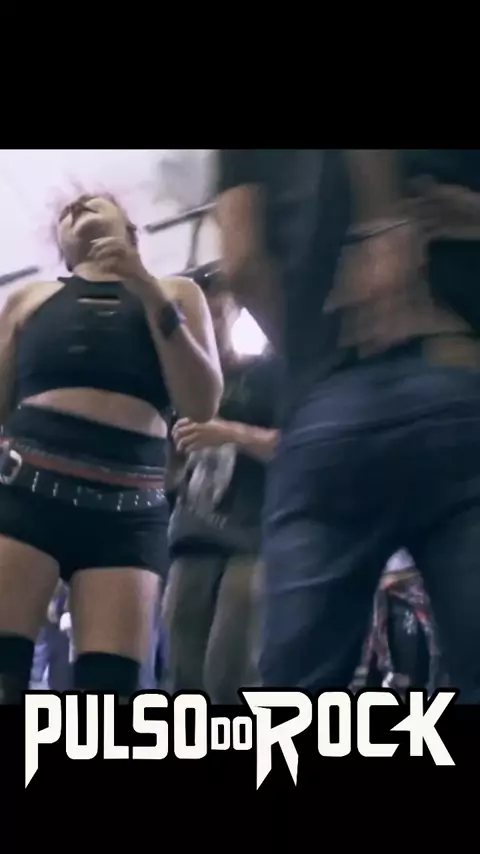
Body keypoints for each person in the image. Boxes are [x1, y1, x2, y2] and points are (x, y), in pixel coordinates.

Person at [216, 149, 480, 701]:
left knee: (292, 702)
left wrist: (311, 364)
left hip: (329, 408)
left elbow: (243, 264)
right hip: (456, 374)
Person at [0, 191, 223, 702]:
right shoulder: (28, 298)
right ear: (62, 248)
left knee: (108, 695)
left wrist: (144, 285)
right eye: (67, 213)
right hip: (25, 494)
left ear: (131, 229)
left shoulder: (177, 291)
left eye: (95, 202)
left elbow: (202, 401)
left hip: (127, 512)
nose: (78, 208)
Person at [163, 266, 278, 703]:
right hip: (192, 536)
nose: (207, 325)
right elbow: (167, 472)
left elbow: (293, 446)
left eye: (216, 314)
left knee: (229, 669)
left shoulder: (267, 374)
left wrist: (230, 433)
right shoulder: (177, 387)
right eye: (198, 316)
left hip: (254, 537)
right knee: (183, 674)